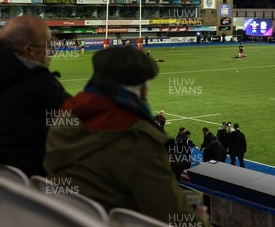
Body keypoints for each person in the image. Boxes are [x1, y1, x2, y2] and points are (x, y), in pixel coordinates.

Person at [43, 47, 209, 225]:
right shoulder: (139, 139)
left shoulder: (63, 119)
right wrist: (200, 219)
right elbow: (171, 214)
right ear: (143, 89)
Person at [0, 15, 69, 176]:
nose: (52, 51)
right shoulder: (41, 87)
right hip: (35, 193)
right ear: (28, 52)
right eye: (48, 45)